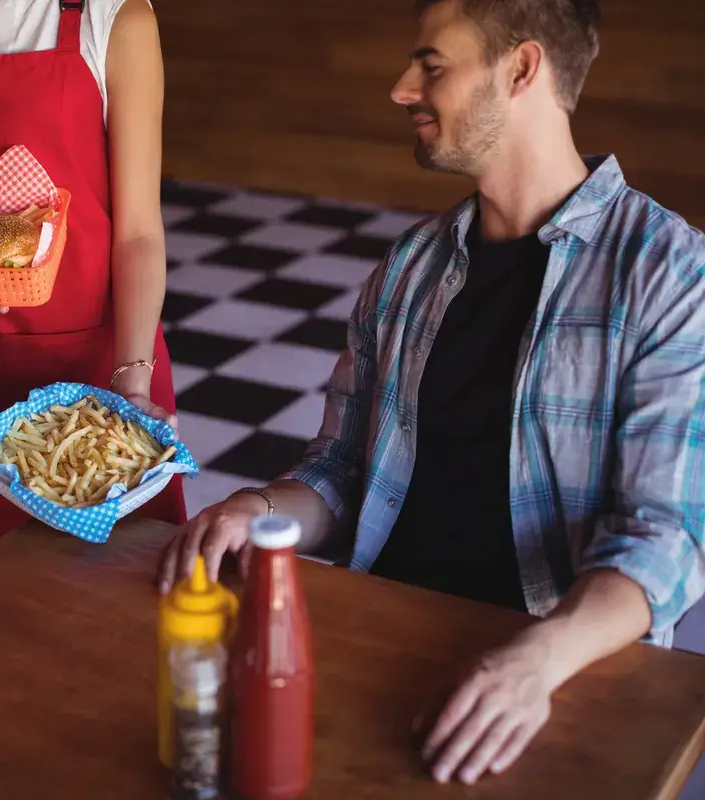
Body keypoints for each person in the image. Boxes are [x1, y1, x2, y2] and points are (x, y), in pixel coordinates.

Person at [157, 0, 705, 786]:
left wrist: (537, 659)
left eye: (432, 65)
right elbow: (342, 470)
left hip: (557, 673)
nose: (400, 88)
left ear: (521, 69)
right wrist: (263, 512)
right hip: (382, 636)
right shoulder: (410, 268)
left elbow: (667, 540)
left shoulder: (669, 274)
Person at [0, 0, 186, 549]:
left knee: (102, 598)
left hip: (96, 359)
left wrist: (131, 379)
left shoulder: (118, 19)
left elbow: (140, 230)